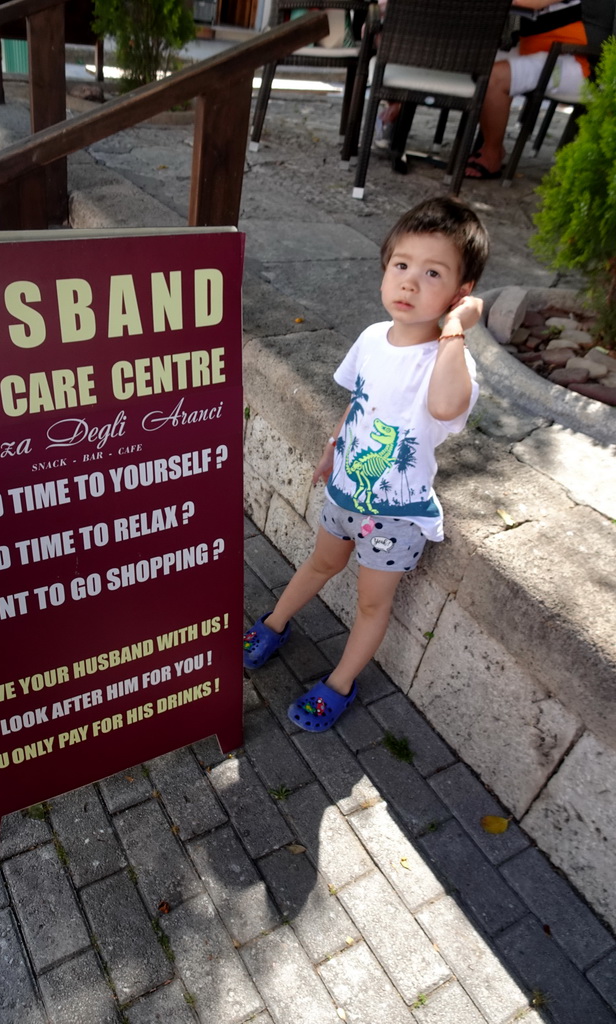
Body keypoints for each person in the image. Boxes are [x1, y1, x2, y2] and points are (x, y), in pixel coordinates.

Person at [243, 196, 489, 732]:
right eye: (401, 265)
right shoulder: (372, 339)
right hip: (345, 495)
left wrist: (455, 329)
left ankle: (339, 683)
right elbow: (357, 403)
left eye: (432, 273)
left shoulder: (450, 361)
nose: (409, 283)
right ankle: (275, 623)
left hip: (397, 517)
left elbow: (446, 407)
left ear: (459, 293)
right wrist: (333, 450)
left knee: (371, 604)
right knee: (318, 563)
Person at [466, 0, 591, 179]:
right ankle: (484, 144)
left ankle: (491, 153)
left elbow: (528, 2)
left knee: (495, 78)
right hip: (545, 50)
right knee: (478, 63)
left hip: (580, 61)